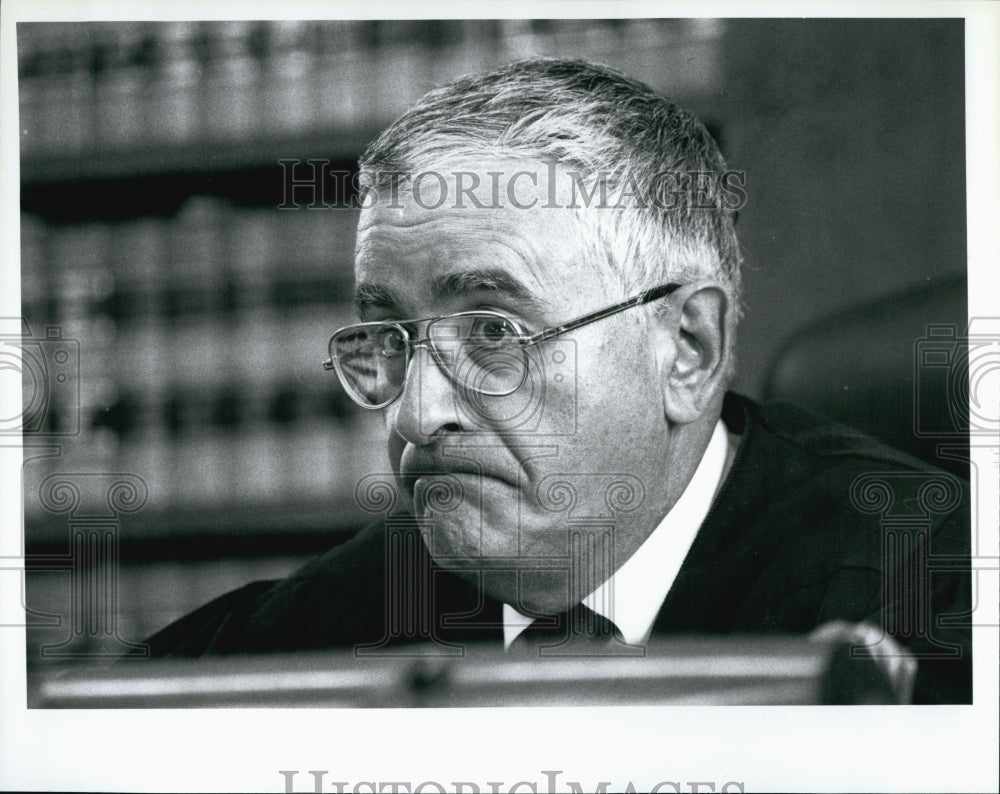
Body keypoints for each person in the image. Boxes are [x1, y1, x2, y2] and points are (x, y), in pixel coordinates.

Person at [144, 58, 971, 704]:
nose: (416, 415)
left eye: (495, 333)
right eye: (390, 337)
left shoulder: (940, 607)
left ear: (687, 348)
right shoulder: (325, 626)